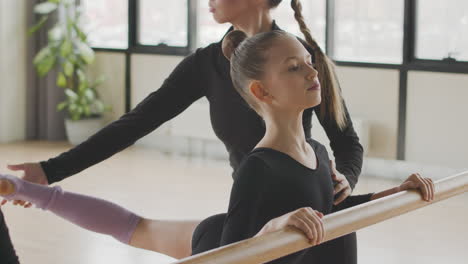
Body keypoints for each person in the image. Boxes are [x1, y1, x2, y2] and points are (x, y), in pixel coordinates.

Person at [4, 0, 360, 257]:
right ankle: (33, 192)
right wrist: (51, 170)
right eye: (296, 67)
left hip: (309, 204)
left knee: (136, 229)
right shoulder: (206, 64)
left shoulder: (303, 59)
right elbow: (137, 122)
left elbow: (346, 142)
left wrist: (343, 177)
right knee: (136, 229)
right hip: (250, 214)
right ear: (259, 90)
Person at [191, 29, 435, 263]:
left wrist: (398, 193)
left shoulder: (317, 151)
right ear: (262, 90)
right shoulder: (258, 169)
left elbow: (331, 212)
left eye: (309, 62)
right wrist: (275, 226)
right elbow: (230, 258)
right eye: (294, 67)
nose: (312, 72)